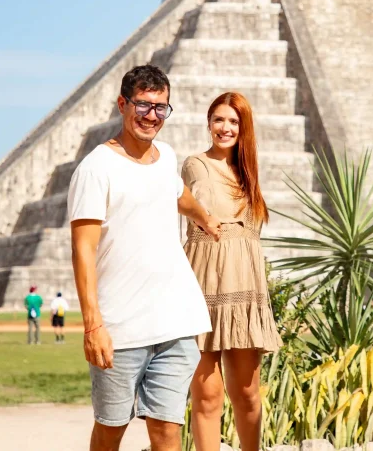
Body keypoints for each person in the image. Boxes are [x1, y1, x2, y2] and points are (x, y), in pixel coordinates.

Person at [68, 64, 220, 451]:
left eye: (161, 108)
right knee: (111, 428)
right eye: (143, 105)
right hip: (120, 328)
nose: (152, 116)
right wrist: (92, 325)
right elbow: (82, 249)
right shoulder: (96, 168)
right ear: (123, 104)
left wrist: (203, 216)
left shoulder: (166, 157)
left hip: (174, 322)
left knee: (167, 429)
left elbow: (176, 193)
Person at [183, 92, 283, 451]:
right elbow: (196, 202)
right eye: (218, 119)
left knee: (248, 394)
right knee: (207, 396)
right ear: (208, 122)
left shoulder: (250, 174)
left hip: (244, 291)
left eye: (233, 121)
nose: (224, 127)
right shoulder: (196, 165)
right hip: (203, 289)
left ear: (244, 128)